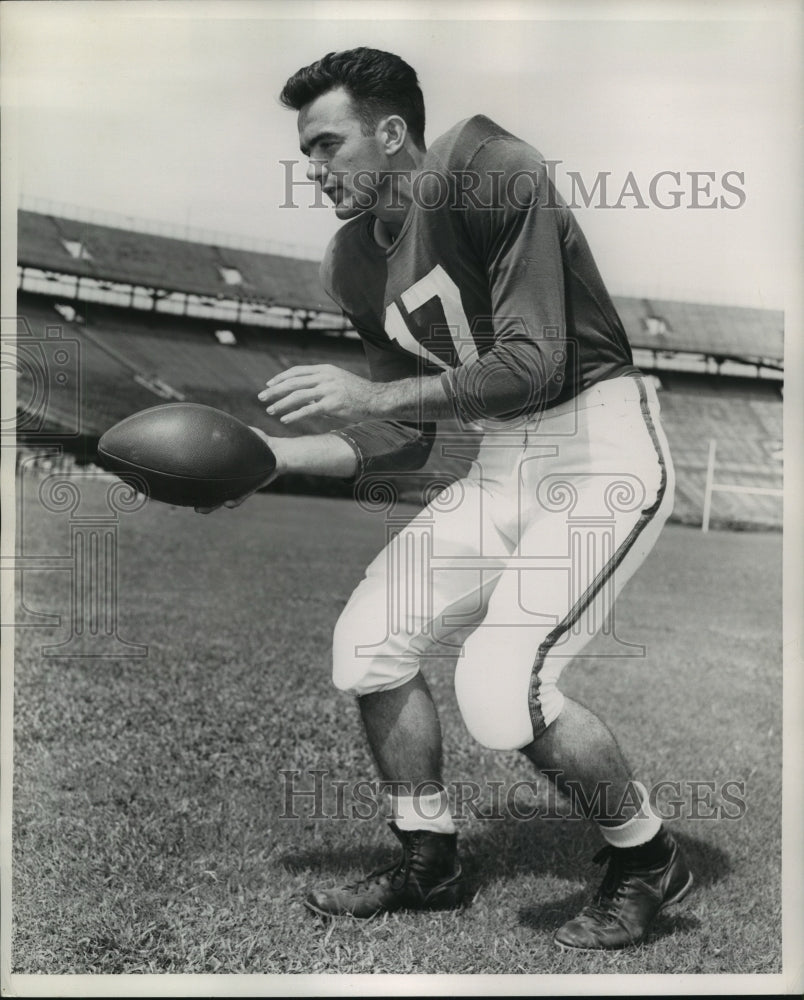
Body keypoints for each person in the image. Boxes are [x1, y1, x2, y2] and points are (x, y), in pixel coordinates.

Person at [205, 46, 693, 951]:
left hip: (597, 446)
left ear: (392, 132)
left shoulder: (489, 168)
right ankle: (431, 860)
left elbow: (533, 361)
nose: (313, 171)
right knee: (366, 647)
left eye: (326, 146)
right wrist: (271, 456)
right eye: (305, 152)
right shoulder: (353, 261)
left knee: (505, 690)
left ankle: (646, 855)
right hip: (502, 461)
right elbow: (402, 437)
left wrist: (373, 394)